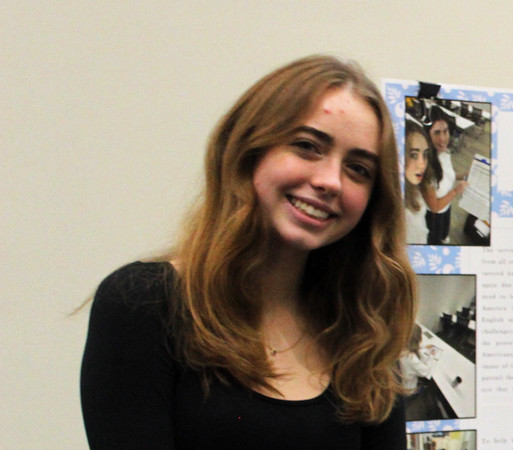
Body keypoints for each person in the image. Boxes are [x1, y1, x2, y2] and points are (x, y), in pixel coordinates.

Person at [80, 55, 418, 449]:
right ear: (247, 150)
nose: (331, 182)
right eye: (308, 147)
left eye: (358, 169)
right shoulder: (144, 304)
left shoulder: (364, 334)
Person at [421, 105, 467, 245]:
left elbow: (448, 174)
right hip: (434, 218)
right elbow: (434, 207)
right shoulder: (426, 167)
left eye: (445, 131)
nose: (442, 138)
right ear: (428, 134)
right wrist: (455, 191)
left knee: (444, 236)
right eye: (437, 133)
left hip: (446, 208)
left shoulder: (444, 152)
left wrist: (463, 175)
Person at [403, 122, 433, 245]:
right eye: (414, 155)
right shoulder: (402, 215)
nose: (422, 164)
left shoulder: (415, 186)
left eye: (425, 155)